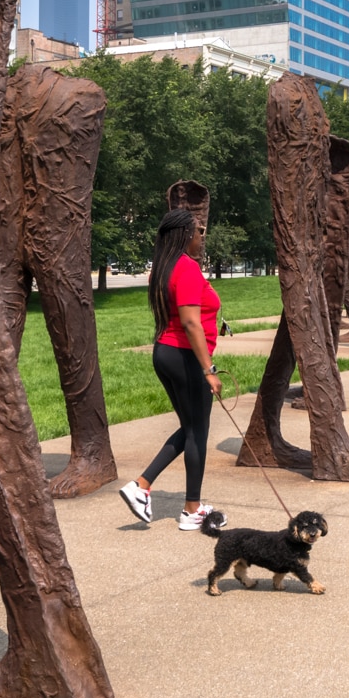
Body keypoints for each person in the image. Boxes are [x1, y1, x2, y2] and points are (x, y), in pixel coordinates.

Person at [119, 208, 222, 530]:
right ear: (184, 235)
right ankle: (192, 510)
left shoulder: (163, 269)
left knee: (191, 428)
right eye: (198, 232)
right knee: (197, 432)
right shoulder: (187, 269)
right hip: (184, 356)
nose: (201, 238)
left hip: (166, 352)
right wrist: (208, 369)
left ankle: (142, 486)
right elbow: (191, 321)